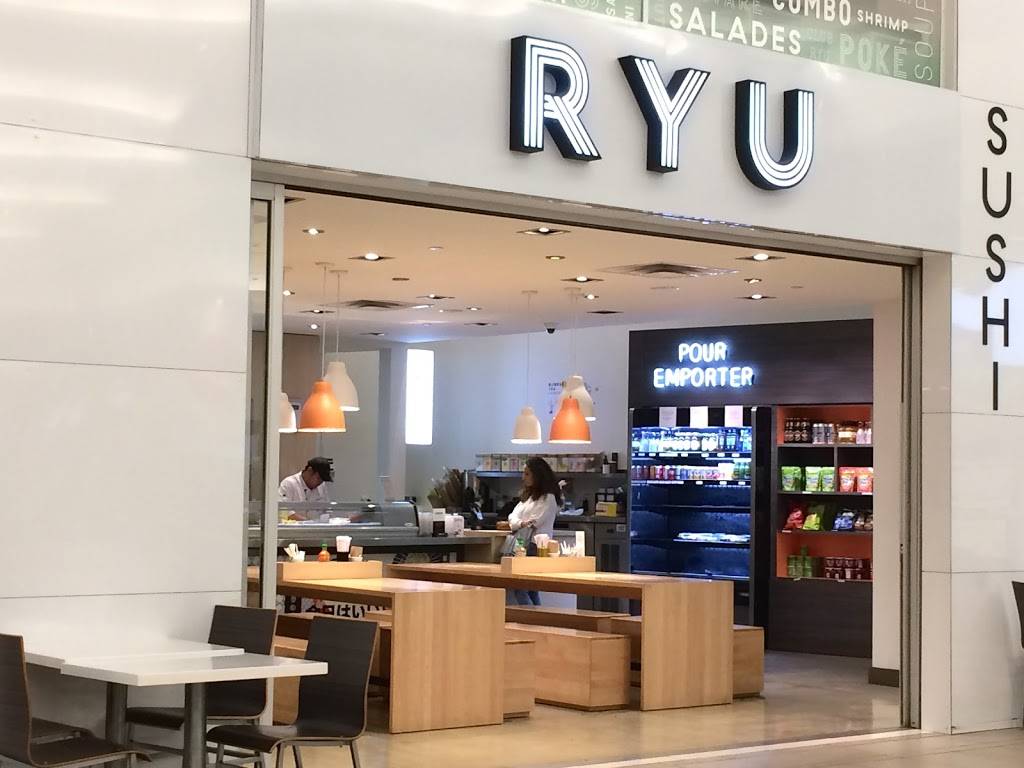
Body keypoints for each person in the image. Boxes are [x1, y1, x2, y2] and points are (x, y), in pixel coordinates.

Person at [500, 457, 561, 606]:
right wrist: (521, 523)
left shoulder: (548, 498)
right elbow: (512, 517)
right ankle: (537, 616)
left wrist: (519, 523)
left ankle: (532, 616)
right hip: (523, 545)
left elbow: (535, 521)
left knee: (521, 587)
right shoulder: (528, 498)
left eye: (527, 474)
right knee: (530, 589)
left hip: (536, 547)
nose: (523, 477)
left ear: (538, 475)